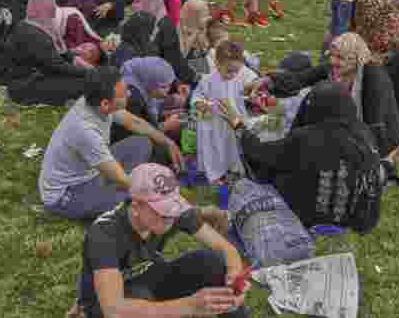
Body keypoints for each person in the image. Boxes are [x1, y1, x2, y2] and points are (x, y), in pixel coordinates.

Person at [223, 82, 399, 232]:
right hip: (355, 214)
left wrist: (238, 126)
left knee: (274, 166)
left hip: (311, 215)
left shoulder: (306, 138)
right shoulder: (363, 134)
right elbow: (373, 170)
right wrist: (392, 158)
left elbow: (259, 152)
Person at [76, 161, 246, 318]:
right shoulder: (104, 233)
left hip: (147, 277)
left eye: (173, 207)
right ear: (135, 206)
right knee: (139, 300)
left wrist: (234, 280)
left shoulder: (172, 212)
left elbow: (225, 249)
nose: (171, 217)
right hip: (105, 303)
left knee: (211, 262)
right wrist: (189, 305)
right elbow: (113, 310)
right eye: (163, 211)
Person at [40, 67, 183, 221]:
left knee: (141, 143)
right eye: (124, 94)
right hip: (68, 195)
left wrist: (168, 142)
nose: (129, 94)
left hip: (93, 171)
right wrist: (161, 193)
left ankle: (114, 188)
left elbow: (135, 122)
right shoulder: (85, 131)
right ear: (105, 104)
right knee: (132, 197)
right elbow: (122, 179)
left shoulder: (95, 100)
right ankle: (114, 194)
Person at [263, 32, 399, 157]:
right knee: (313, 97)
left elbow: (375, 126)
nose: (333, 61)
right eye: (332, 56)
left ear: (356, 59)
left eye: (340, 58)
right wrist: (268, 81)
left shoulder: (373, 77)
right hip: (348, 131)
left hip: (379, 138)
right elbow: (299, 79)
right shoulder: (333, 69)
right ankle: (291, 146)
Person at [5, 0, 90, 106]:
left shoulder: (28, 24)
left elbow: (58, 54)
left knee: (79, 80)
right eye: (51, 4)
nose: (54, 8)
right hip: (26, 87)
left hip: (23, 81)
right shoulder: (34, 35)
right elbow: (56, 66)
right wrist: (86, 72)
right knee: (83, 83)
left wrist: (74, 60)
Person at [193, 41, 260, 185]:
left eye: (236, 71)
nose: (233, 74)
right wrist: (201, 104)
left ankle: (234, 168)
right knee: (214, 147)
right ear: (217, 64)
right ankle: (215, 172)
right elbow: (198, 96)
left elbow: (253, 83)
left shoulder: (240, 77)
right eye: (229, 71)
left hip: (233, 120)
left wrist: (253, 92)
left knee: (233, 146)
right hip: (214, 122)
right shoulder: (208, 80)